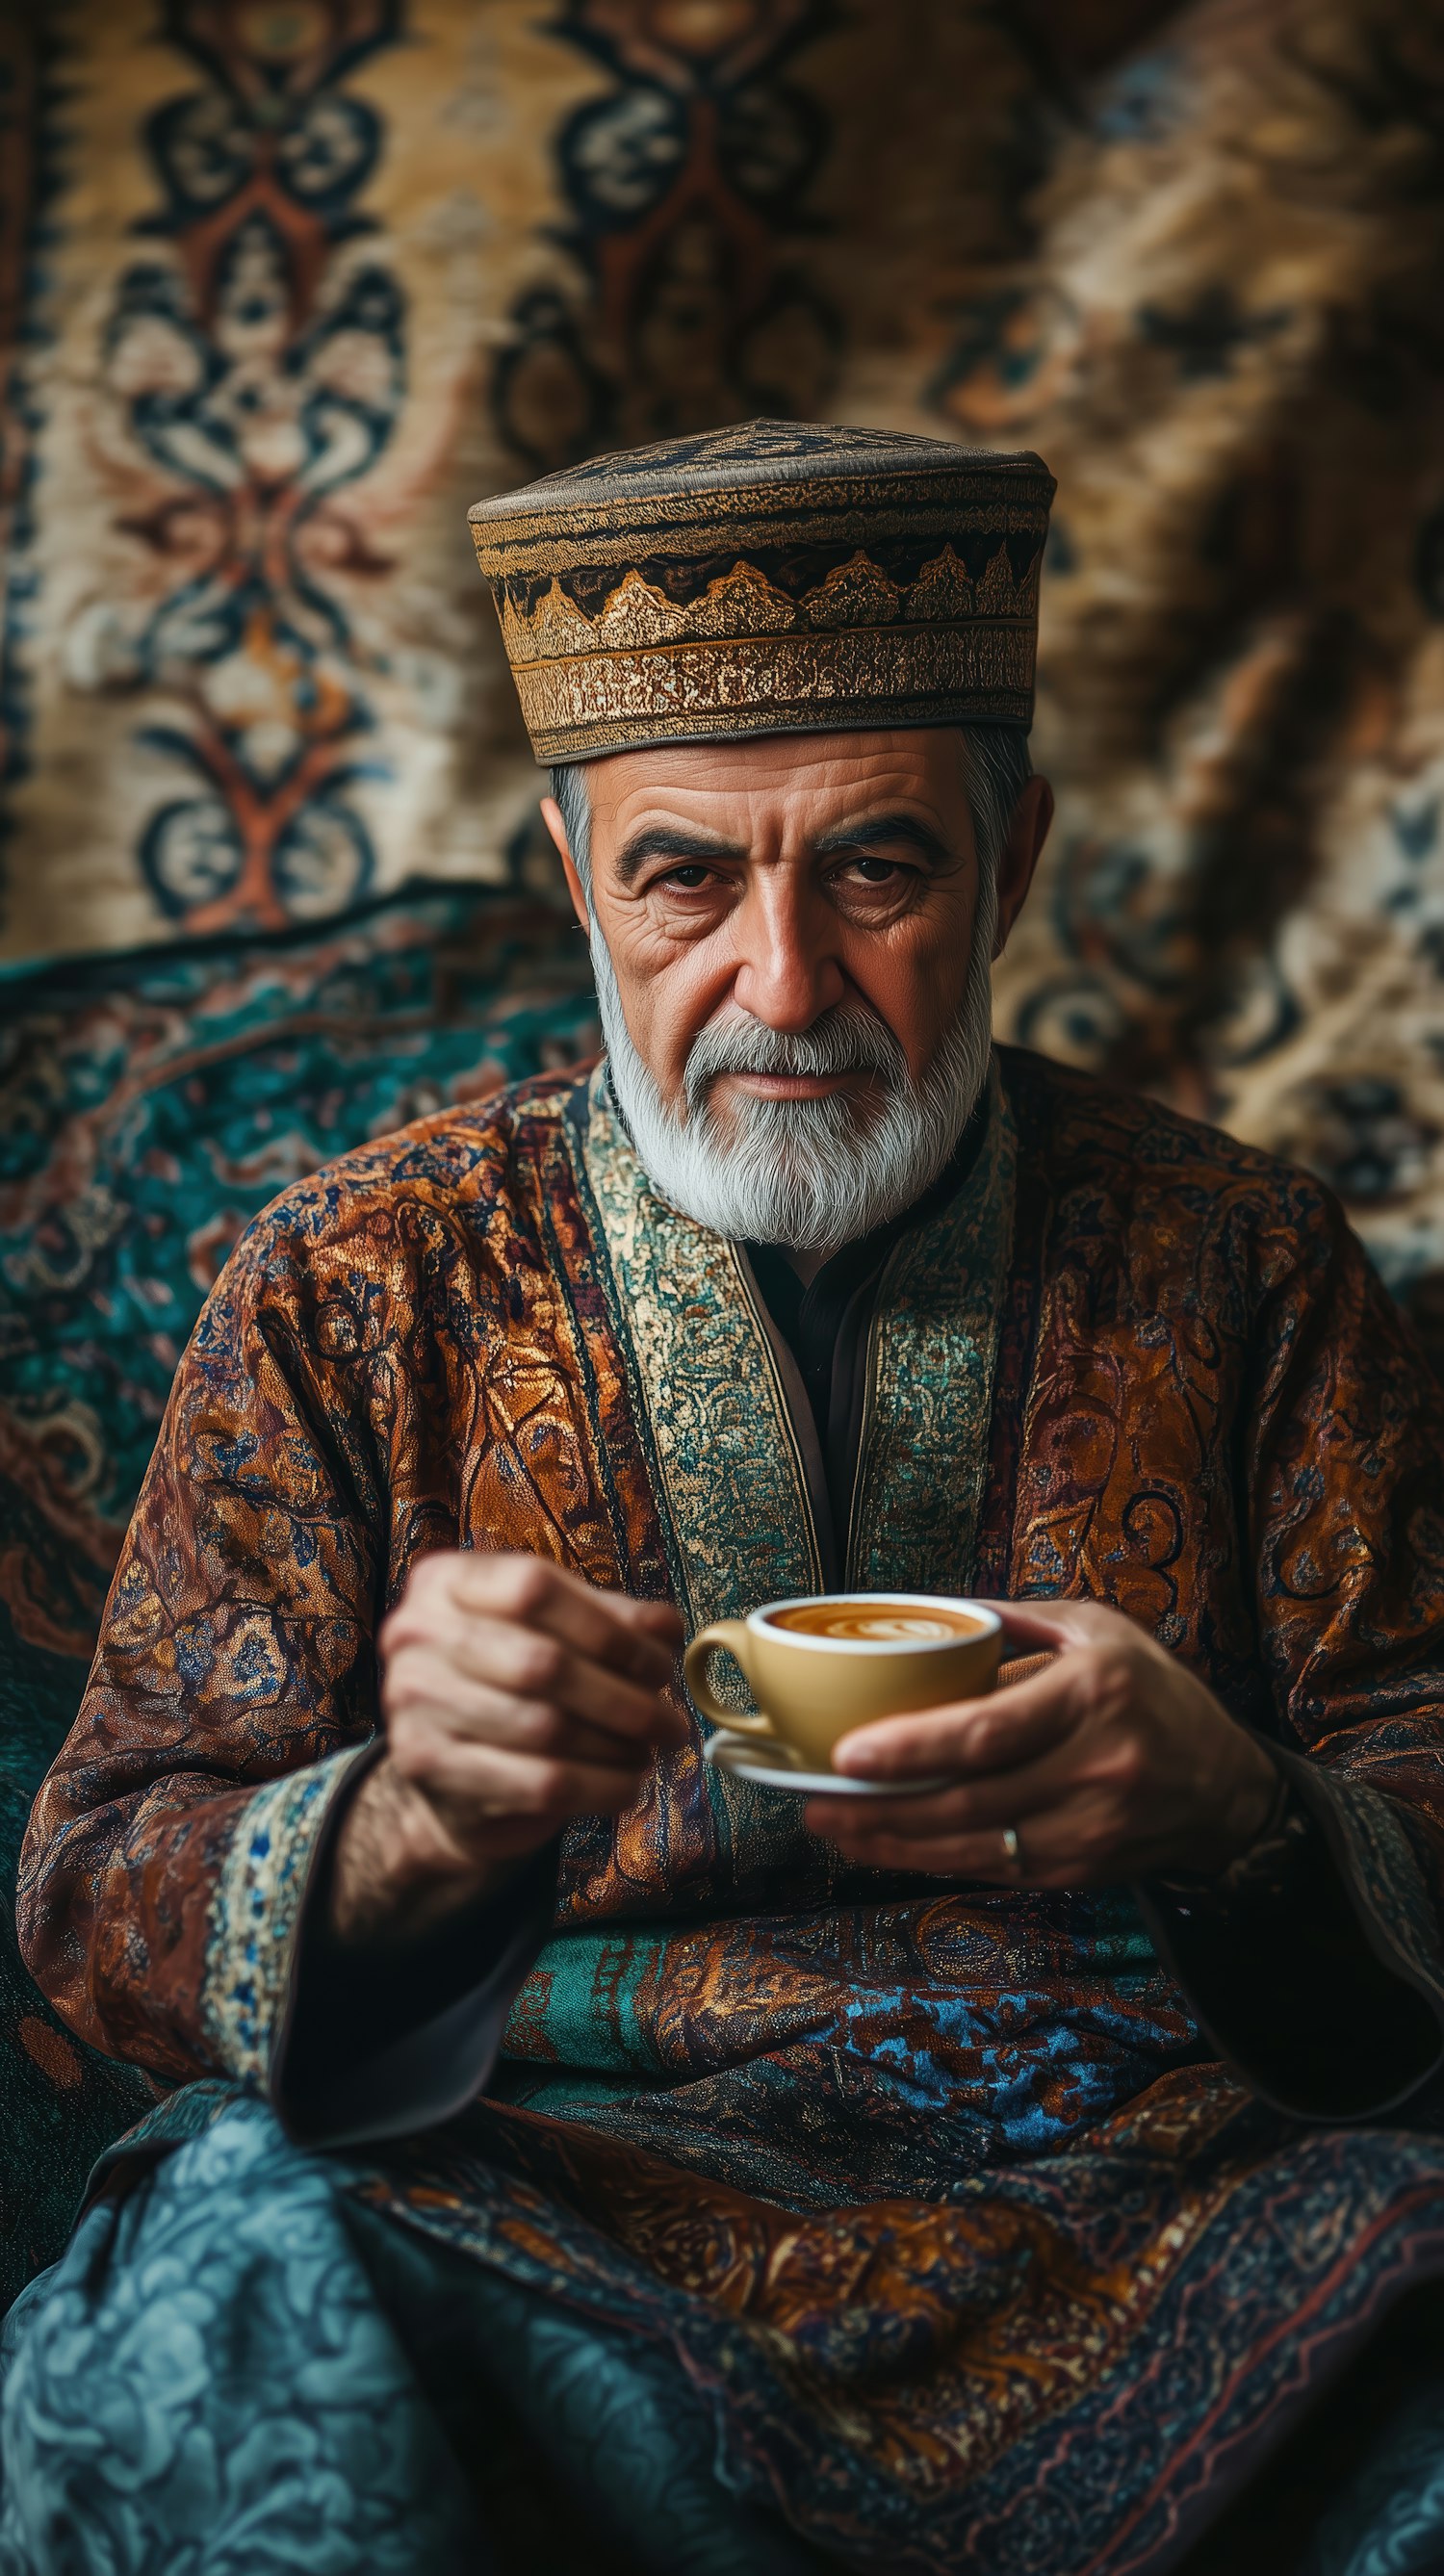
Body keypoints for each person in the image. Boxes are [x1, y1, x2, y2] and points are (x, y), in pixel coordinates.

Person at [4, 421, 1444, 2576]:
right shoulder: (347, 1287)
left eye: (877, 869)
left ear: (1015, 856)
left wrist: (1234, 1806)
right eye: (687, 877)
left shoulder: (1246, 1269)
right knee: (229, 2275)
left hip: (1164, 2198)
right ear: (577, 875)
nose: (782, 987)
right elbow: (94, 1885)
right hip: (536, 2191)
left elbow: (1416, 1774)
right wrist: (402, 1826)